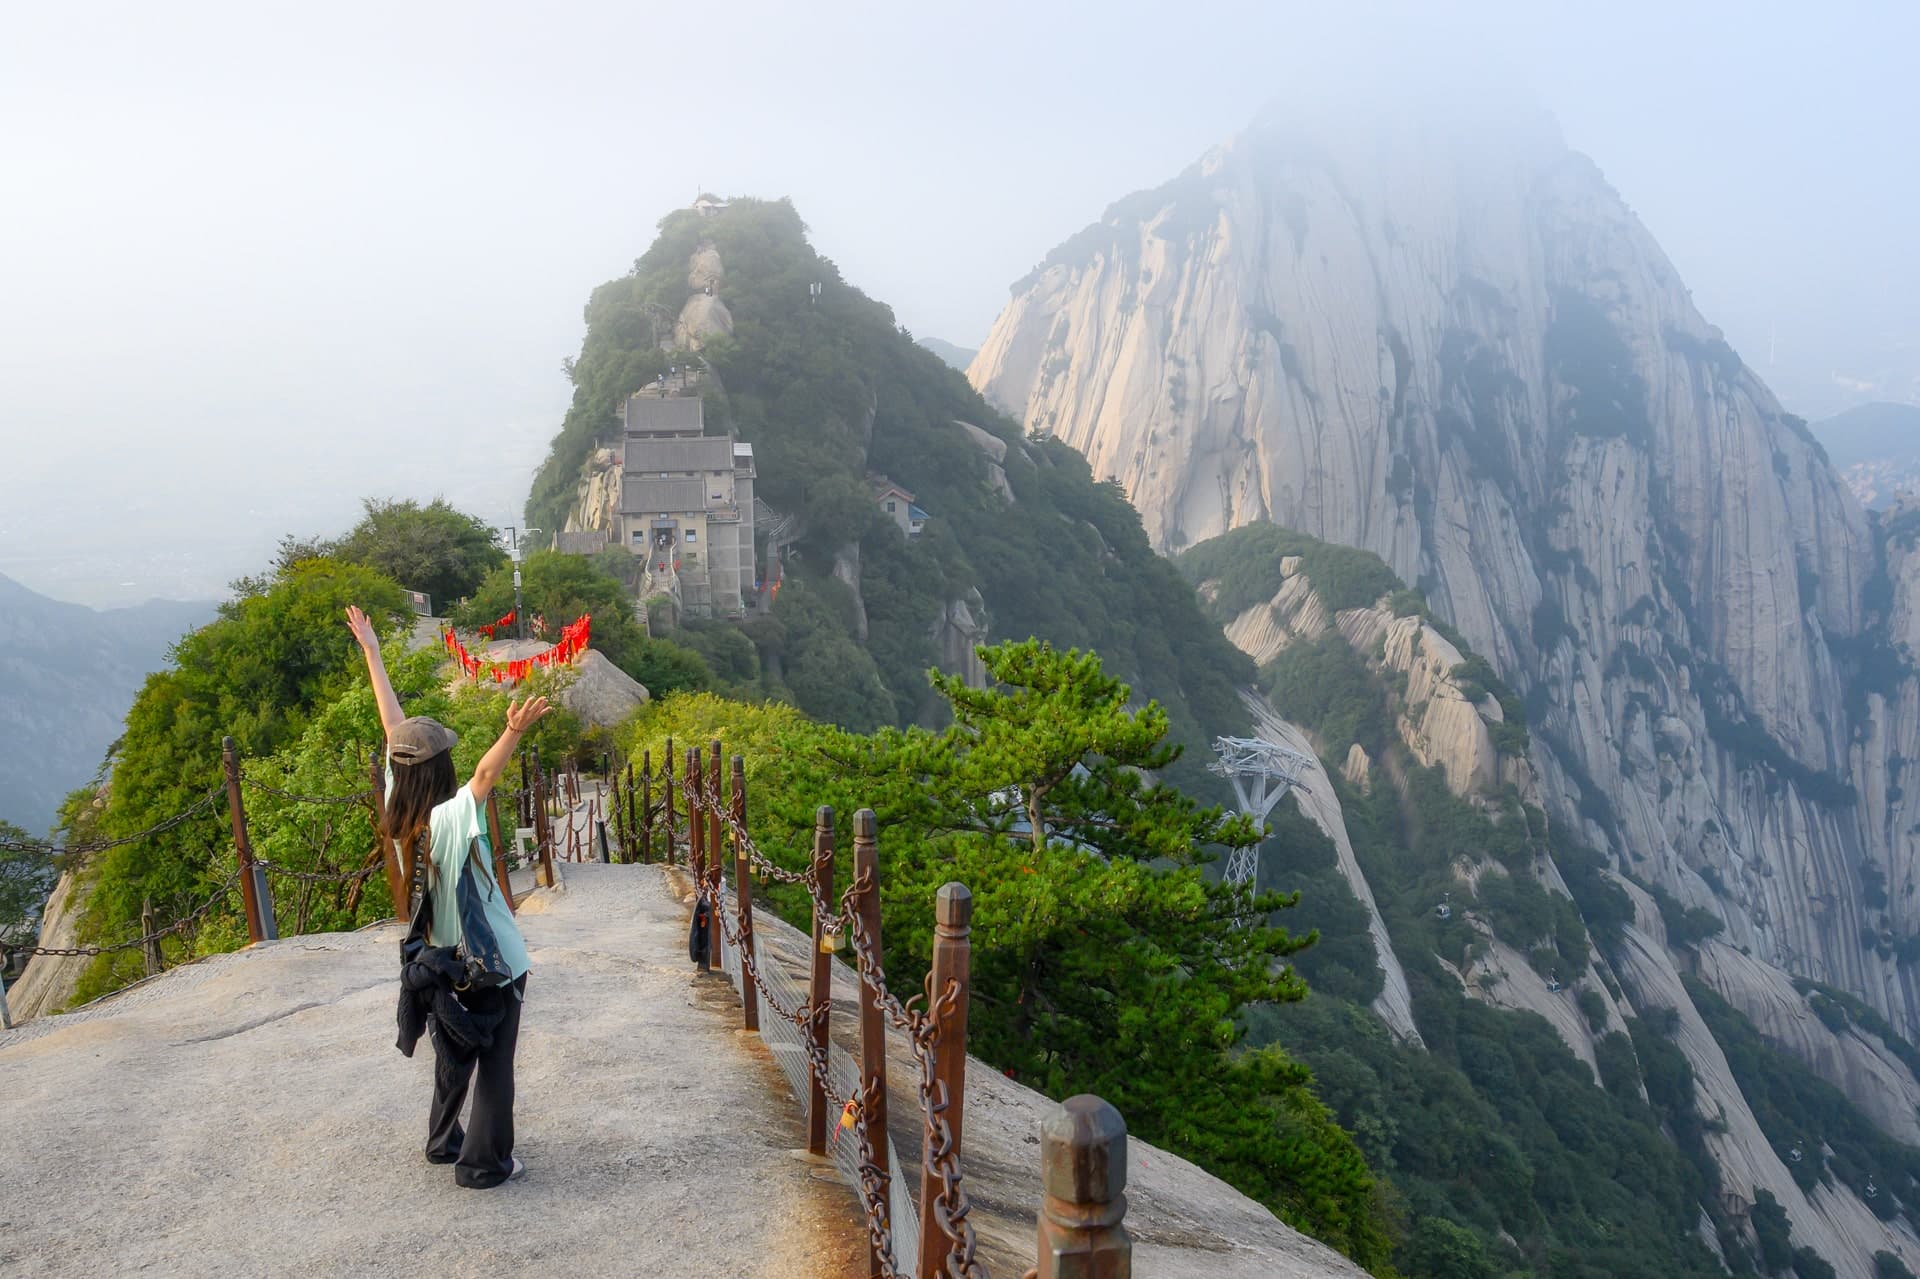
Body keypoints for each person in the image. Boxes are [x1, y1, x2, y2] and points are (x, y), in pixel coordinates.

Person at [347, 604, 547, 1189]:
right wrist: (512, 730)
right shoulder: (450, 820)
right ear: (439, 771)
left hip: (439, 962)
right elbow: (483, 779)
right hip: (493, 963)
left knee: (454, 1050)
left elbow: (394, 733)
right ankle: (484, 1164)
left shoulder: (401, 812)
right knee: (494, 1066)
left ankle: (442, 1141)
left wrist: (373, 653)